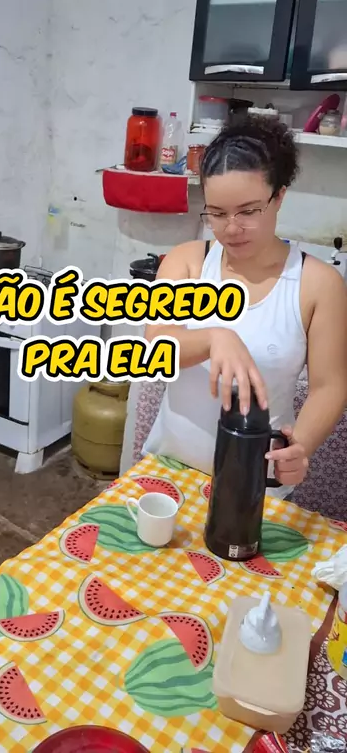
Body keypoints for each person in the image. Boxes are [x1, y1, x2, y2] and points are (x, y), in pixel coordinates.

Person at [144, 117, 347, 499]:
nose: (231, 228)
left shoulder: (318, 284)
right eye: (217, 213)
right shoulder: (187, 262)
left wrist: (298, 446)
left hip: (255, 483)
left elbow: (329, 386)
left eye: (249, 211)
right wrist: (214, 338)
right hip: (170, 469)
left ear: (279, 197)